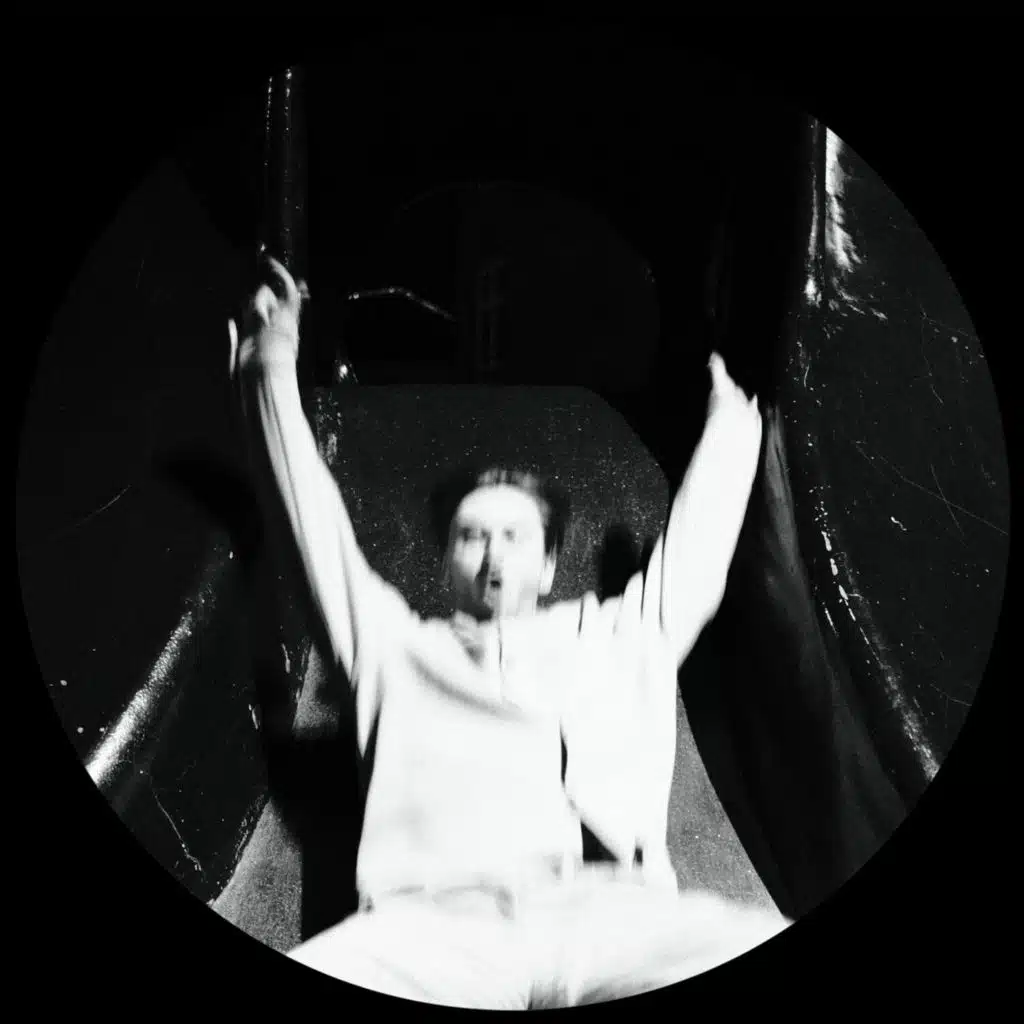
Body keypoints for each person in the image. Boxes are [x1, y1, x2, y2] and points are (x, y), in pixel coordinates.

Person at [227, 255, 790, 1008]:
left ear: (550, 564)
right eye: (472, 536)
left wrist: (735, 419)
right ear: (447, 564)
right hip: (433, 925)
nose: (493, 555)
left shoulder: (624, 634)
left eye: (515, 536)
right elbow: (312, 528)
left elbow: (700, 545)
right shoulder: (393, 647)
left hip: (612, 916)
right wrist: (269, 370)